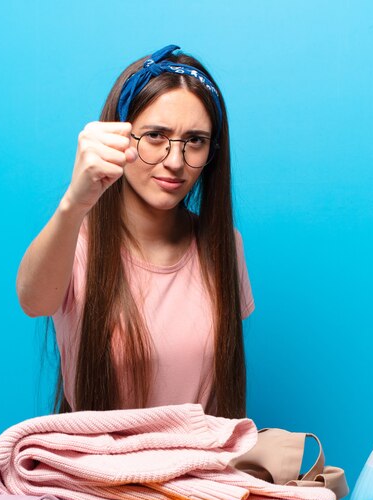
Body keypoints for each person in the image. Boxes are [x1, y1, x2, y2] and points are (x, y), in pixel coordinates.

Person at [16, 45, 254, 419]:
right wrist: (73, 205)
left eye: (195, 141)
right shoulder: (76, 244)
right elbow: (33, 301)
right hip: (98, 469)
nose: (175, 162)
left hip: (199, 470)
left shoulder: (224, 246)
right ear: (120, 137)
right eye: (155, 136)